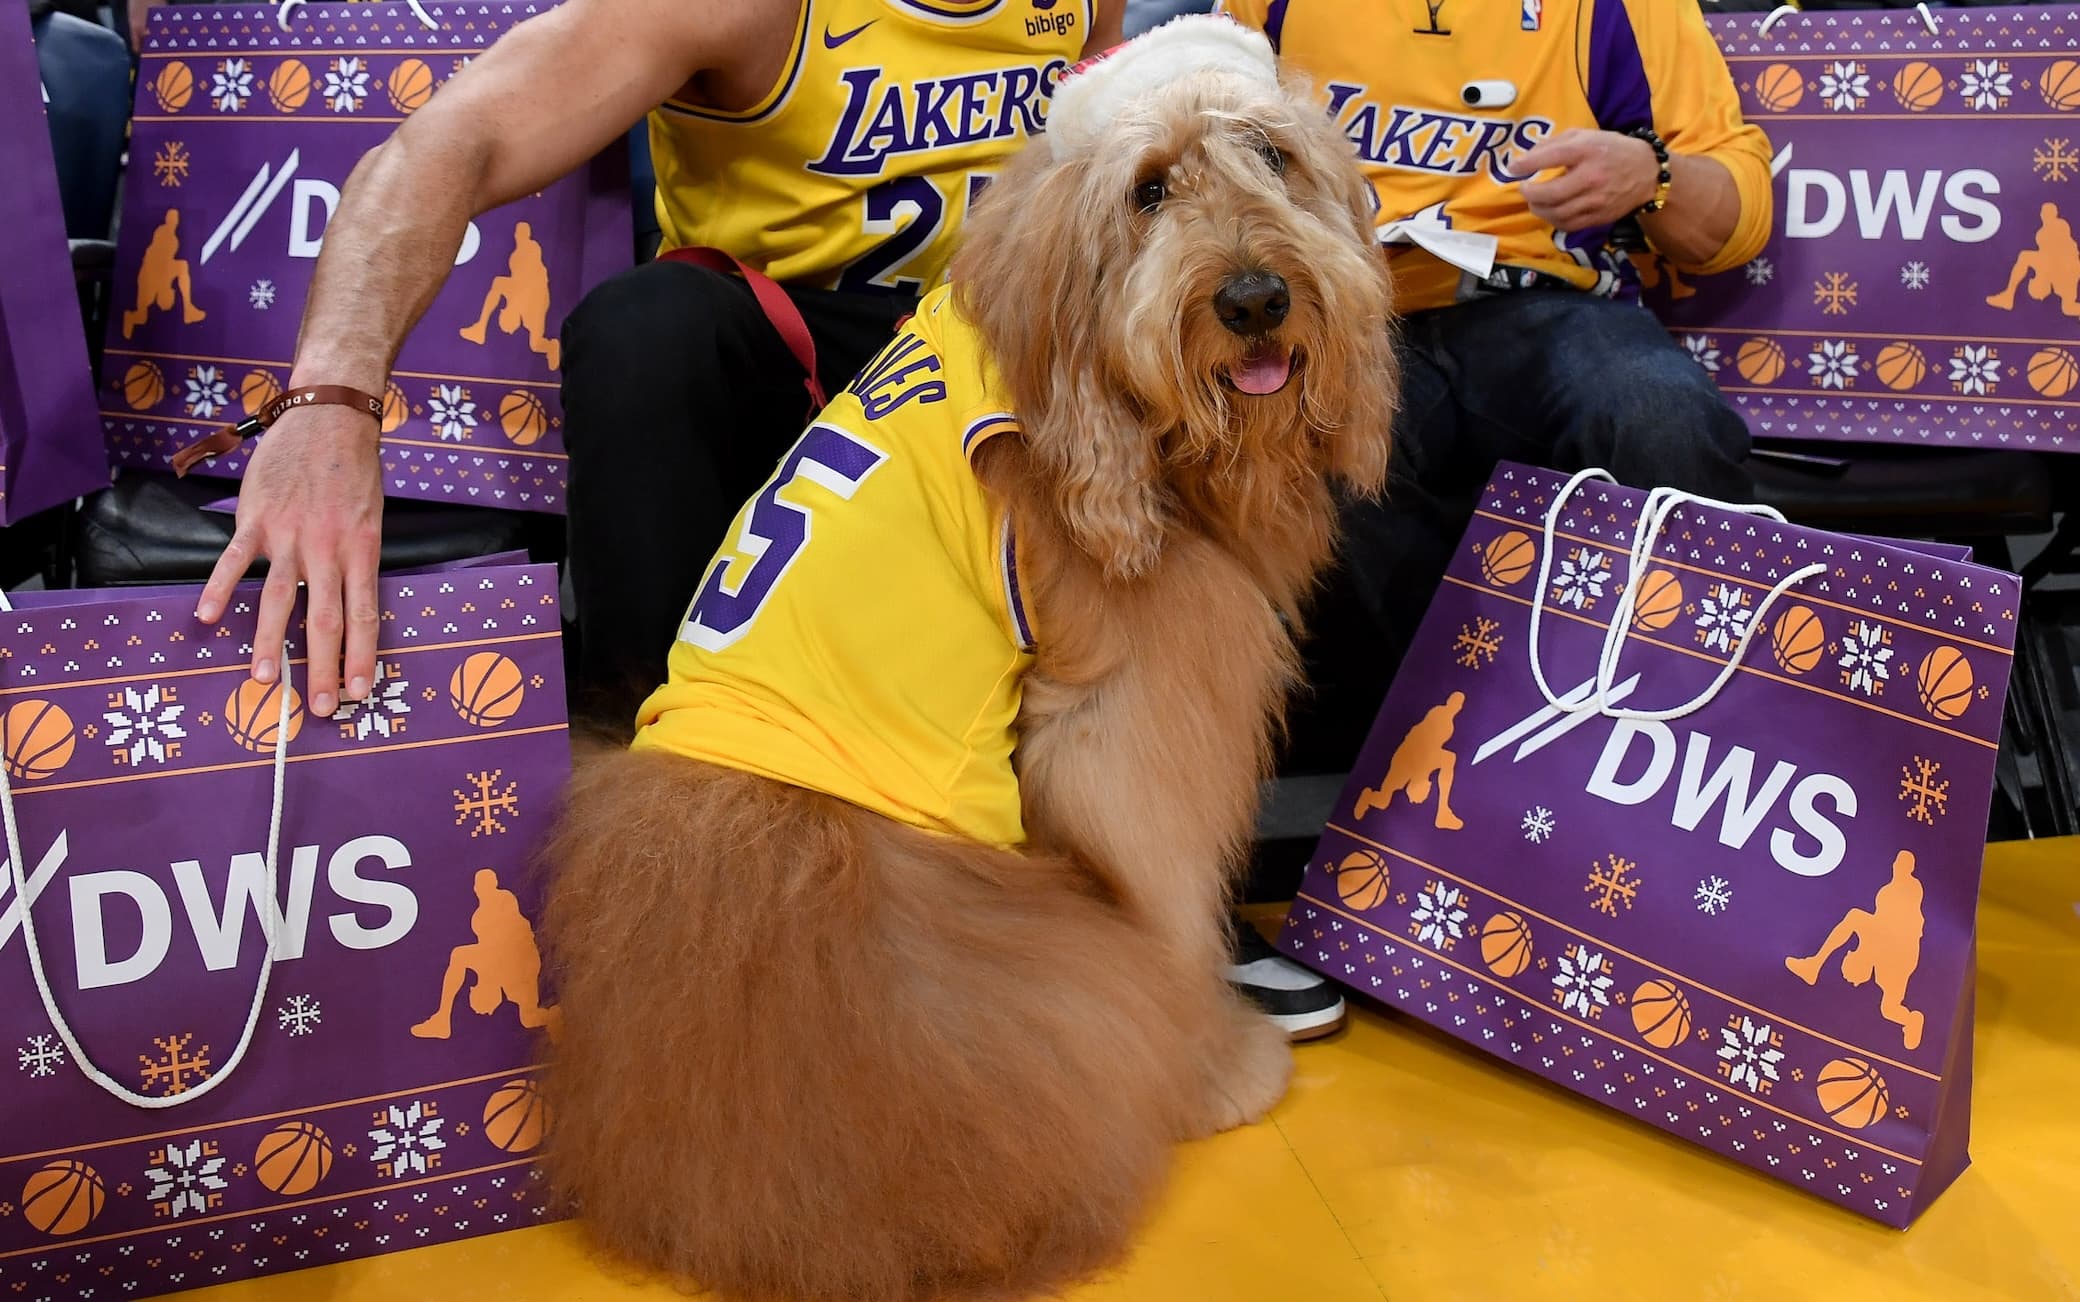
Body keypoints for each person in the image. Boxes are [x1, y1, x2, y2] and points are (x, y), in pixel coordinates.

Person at [191, 0, 1118, 724]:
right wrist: (330, 400)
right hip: (801, 363)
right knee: (644, 327)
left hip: (1006, 353)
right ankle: (636, 744)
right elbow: (445, 147)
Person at [1220, 0, 1773, 761]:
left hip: (1547, 301)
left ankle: (1699, 751)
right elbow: (1199, 158)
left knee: (1661, 417)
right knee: (1319, 466)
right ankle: (1456, 763)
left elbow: (1736, 218)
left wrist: (1651, 174)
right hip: (1349, 312)